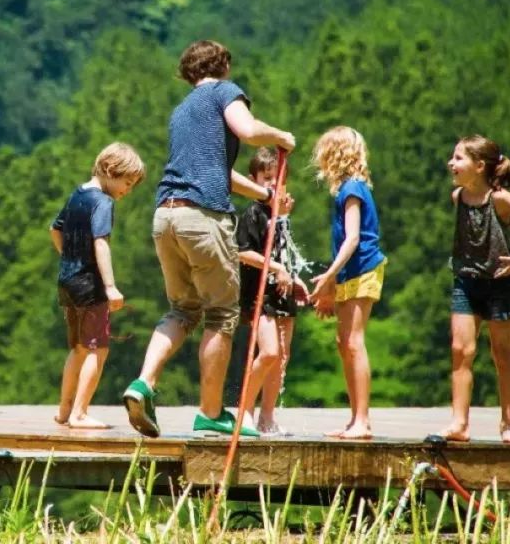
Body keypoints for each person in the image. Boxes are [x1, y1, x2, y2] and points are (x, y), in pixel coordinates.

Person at [123, 40, 295, 438]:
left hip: (166, 216)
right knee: (221, 314)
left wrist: (265, 195)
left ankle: (143, 382)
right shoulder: (224, 92)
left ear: (188, 72)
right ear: (224, 66)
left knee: (183, 309)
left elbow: (219, 172)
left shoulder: (182, 111)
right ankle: (211, 413)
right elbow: (249, 131)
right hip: (203, 218)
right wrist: (281, 136)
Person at [440, 135, 510, 444]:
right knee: (461, 350)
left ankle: (508, 424)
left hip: (499, 283)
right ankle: (459, 423)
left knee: (502, 353)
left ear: (479, 166)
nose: (451, 163)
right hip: (466, 282)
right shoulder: (458, 197)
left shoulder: (500, 200)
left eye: (458, 158)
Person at [51, 143, 146, 429]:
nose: (128, 190)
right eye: (127, 183)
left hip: (68, 281)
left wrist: (69, 258)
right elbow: (101, 242)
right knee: (98, 349)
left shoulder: (77, 194)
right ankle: (80, 413)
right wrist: (110, 286)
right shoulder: (103, 202)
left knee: (78, 348)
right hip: (89, 285)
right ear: (109, 170)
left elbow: (55, 229)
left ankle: (64, 411)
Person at [309, 126, 386, 440]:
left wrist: (328, 276)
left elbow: (353, 239)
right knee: (344, 343)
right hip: (350, 272)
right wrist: (333, 284)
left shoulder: (352, 188)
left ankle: (362, 421)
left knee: (353, 342)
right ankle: (355, 418)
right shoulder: (346, 189)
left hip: (363, 268)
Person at [235, 148, 309, 437]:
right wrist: (277, 267)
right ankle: (244, 412)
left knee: (281, 358)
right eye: (266, 178)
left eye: (278, 178)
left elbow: (284, 251)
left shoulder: (282, 216)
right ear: (253, 180)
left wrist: (294, 277)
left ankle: (267, 417)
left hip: (282, 292)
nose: (273, 184)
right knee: (268, 352)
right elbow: (243, 253)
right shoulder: (253, 213)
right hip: (261, 294)